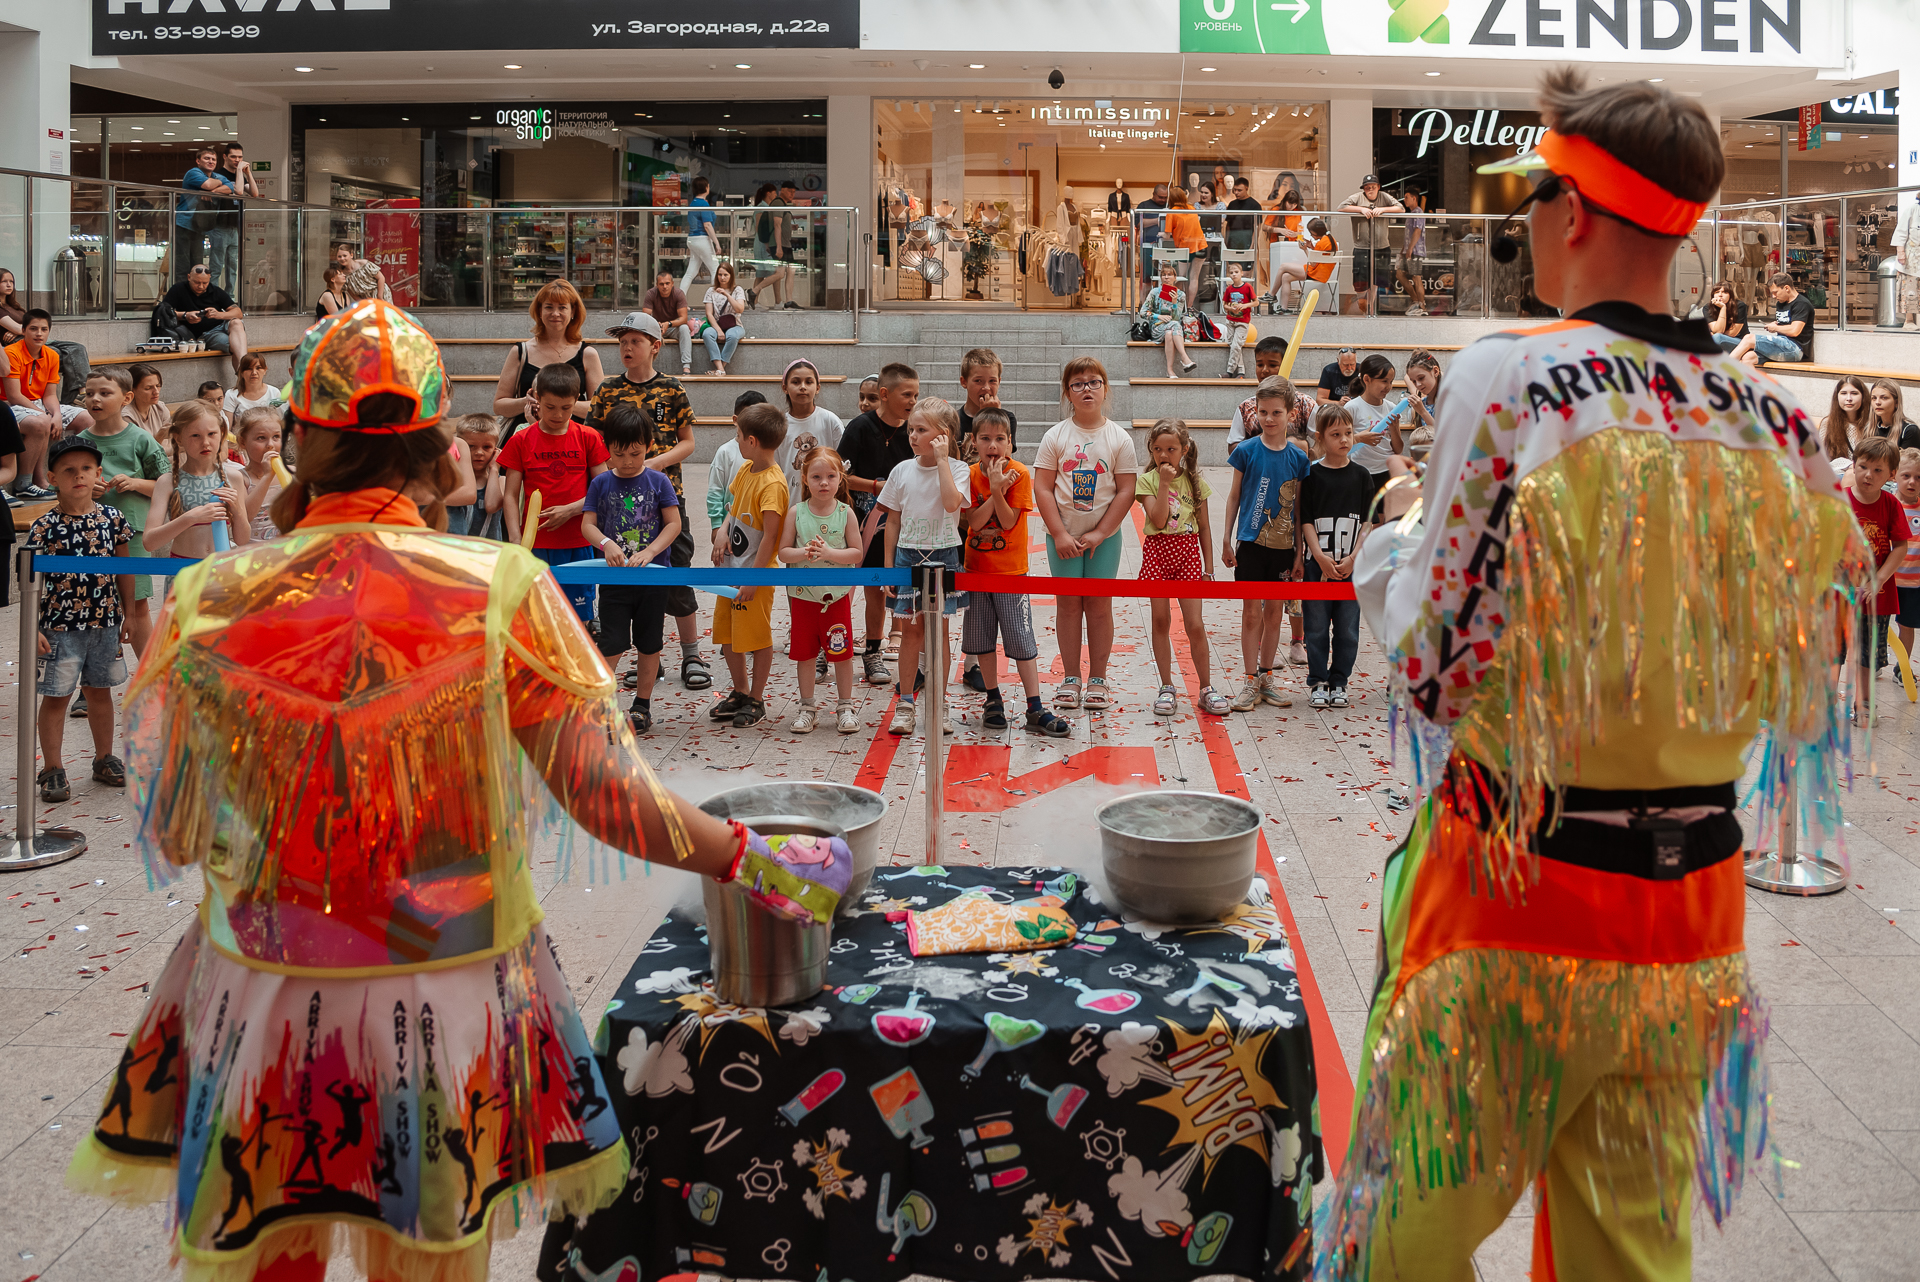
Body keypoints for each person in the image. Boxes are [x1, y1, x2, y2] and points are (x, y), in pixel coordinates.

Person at [63, 300, 851, 1282]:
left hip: (264, 987)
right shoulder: (499, 587)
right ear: (438, 448)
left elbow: (183, 832)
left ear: (302, 442)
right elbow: (609, 798)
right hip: (448, 991)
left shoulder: (210, 597)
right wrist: (771, 864)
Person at [1324, 69, 1864, 1281]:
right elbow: (1809, 674)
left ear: (1572, 212)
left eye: (1533, 200)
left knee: (1398, 1249)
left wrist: (1389, 547)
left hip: (1512, 902)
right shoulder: (1778, 419)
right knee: (1629, 1257)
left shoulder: (1511, 376)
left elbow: (1435, 670)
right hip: (1693, 920)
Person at [586, 310, 708, 690]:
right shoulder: (607, 390)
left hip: (665, 497)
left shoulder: (672, 388)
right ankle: (645, 659)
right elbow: (594, 443)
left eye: (635, 341)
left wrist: (654, 464)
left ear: (655, 346)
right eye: (622, 342)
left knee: (676, 572)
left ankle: (691, 654)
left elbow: (688, 442)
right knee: (628, 582)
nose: (627, 347)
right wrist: (607, 481)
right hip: (619, 503)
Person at [26, 436, 133, 801]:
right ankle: (52, 768)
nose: (79, 476)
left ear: (98, 474)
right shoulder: (44, 527)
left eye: (86, 468)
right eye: (69, 470)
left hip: (105, 624)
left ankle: (104, 758)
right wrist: (32, 628)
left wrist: (129, 615)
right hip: (59, 628)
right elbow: (31, 582)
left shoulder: (112, 519)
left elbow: (125, 570)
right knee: (57, 697)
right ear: (52, 478)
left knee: (100, 693)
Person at [1033, 358, 1136, 712]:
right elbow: (1043, 487)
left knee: (1099, 605)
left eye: (1094, 382)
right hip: (1062, 538)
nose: (1086, 389)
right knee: (1068, 605)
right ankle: (1071, 676)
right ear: (1068, 393)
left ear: (1105, 389)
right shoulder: (1055, 436)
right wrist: (1059, 533)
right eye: (1077, 384)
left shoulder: (1119, 438)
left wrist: (1101, 532)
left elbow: (1126, 490)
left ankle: (1098, 678)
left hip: (1104, 540)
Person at [964, 407, 1069, 737]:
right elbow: (974, 521)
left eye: (1000, 438)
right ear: (974, 442)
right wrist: (994, 488)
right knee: (982, 639)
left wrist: (997, 489)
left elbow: (1008, 521)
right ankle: (992, 698)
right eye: (985, 438)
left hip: (1010, 572)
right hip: (975, 570)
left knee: (1020, 639)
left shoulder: (1020, 473)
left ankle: (1034, 705)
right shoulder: (969, 474)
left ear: (1010, 442)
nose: (993, 445)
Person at [580, 402, 681, 736]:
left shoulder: (658, 481)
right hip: (615, 579)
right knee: (612, 641)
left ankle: (642, 706)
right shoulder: (601, 483)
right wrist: (606, 543)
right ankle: (603, 705)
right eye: (619, 454)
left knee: (649, 643)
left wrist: (651, 552)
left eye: (635, 454)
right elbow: (588, 524)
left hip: (653, 579)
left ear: (648, 446)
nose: (626, 462)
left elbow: (673, 524)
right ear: (608, 448)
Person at [880, 397, 970, 738]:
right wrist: (888, 565)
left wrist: (944, 460)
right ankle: (906, 702)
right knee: (911, 633)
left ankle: (938, 702)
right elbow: (892, 520)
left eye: (921, 430)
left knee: (939, 633)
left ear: (943, 435)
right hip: (907, 555)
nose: (913, 436)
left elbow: (951, 503)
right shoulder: (902, 470)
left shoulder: (958, 470)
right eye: (911, 430)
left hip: (943, 554)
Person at [1221, 376, 1312, 712]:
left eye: (1276, 412)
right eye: (1263, 412)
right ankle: (1249, 680)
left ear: (1291, 414)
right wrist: (1227, 539)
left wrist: (1299, 553)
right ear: (1255, 412)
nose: (1269, 419)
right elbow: (1233, 496)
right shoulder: (1246, 451)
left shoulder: (1298, 458)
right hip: (1250, 544)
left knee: (1274, 613)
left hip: (1284, 549)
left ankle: (1266, 676)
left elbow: (1299, 509)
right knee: (1251, 613)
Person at [500, 363, 609, 622]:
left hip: (579, 541)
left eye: (566, 408)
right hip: (536, 544)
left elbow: (604, 489)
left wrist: (571, 509)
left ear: (577, 400)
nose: (558, 415)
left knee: (577, 618)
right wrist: (516, 540)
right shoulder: (520, 440)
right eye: (550, 407)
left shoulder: (588, 437)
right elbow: (510, 495)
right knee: (539, 616)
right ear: (537, 398)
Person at [1136, 419, 1230, 719]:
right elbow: (1158, 520)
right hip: (1158, 553)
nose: (1164, 455)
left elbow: (1204, 527)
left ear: (1184, 450)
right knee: (1160, 621)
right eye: (1157, 449)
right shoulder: (1147, 481)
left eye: (1171, 449)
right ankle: (1166, 686)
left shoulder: (1196, 483)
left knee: (1195, 624)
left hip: (1187, 555)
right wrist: (1164, 483)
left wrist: (1209, 568)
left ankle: (1205, 687)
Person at [78, 368, 168, 660]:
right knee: (94, 603)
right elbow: (61, 490)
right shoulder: (78, 442)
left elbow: (167, 485)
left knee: (137, 604)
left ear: (126, 398)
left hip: (133, 535)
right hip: (89, 535)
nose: (95, 399)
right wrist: (83, 491)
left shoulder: (141, 439)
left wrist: (136, 483)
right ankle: (97, 677)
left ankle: (151, 677)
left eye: (105, 393)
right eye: (90, 393)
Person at [711, 402, 789, 729]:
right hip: (731, 570)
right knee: (728, 633)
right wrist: (722, 531)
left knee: (756, 637)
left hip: (755, 574)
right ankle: (741, 690)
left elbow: (770, 537)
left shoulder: (773, 484)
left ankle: (756, 698)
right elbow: (733, 507)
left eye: (739, 435)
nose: (737, 440)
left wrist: (754, 579)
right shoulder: (745, 470)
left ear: (752, 441)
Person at [842, 363, 919, 682]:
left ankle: (873, 653)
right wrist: (876, 487)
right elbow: (840, 476)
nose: (913, 401)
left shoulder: (915, 430)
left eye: (916, 395)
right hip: (858, 523)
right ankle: (825, 649)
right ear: (885, 394)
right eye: (907, 394)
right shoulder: (859, 428)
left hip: (899, 526)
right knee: (841, 589)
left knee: (881, 589)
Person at [777, 445, 861, 735]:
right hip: (802, 597)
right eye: (816, 477)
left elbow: (856, 553)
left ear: (840, 478)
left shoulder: (846, 513)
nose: (824, 483)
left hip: (836, 597)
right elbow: (784, 552)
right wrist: (805, 552)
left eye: (830, 476)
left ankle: (846, 706)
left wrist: (828, 553)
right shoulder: (796, 513)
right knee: (806, 654)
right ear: (804, 478)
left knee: (842, 653)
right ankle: (807, 707)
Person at [1296, 403, 1371, 709]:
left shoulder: (1362, 476)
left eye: (1348, 433)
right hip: (1318, 567)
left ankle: (1339, 681)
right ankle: (1317, 681)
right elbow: (1306, 521)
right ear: (1320, 437)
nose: (1344, 439)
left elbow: (1367, 523)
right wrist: (1319, 557)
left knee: (1347, 630)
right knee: (1315, 628)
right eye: (1336, 434)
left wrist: (1353, 558)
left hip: (1351, 568)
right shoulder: (1312, 475)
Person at [145, 401, 250, 561]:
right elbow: (149, 542)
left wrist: (238, 511)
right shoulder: (167, 482)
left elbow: (243, 540)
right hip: (183, 568)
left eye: (212, 434)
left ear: (222, 434)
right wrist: (190, 518)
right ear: (179, 438)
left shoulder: (234, 477)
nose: (205, 442)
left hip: (220, 568)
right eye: (195, 435)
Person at [1849, 435, 1907, 721]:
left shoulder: (1891, 505)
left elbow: (1901, 546)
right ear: (1853, 465)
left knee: (1867, 656)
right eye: (1863, 467)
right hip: (1838, 594)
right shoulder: (1838, 501)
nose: (1868, 475)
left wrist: (1879, 579)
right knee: (1831, 652)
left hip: (1876, 599)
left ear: (1891, 474)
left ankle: (1864, 704)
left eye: (1877, 470)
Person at [8, 308, 94, 497]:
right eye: (33, 329)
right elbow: (14, 396)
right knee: (41, 422)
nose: (39, 333)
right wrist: (46, 416)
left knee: (87, 418)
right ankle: (23, 484)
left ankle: (77, 473)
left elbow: (49, 395)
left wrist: (56, 415)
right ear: (23, 330)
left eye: (44, 329)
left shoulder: (51, 355)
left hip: (40, 403)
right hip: (12, 406)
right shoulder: (11, 353)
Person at [492, 278, 601, 427]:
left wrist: (559, 404)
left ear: (573, 311)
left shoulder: (588, 354)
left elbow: (599, 408)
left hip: (573, 436)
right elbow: (498, 406)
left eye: (562, 307)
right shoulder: (520, 352)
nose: (555, 313)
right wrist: (526, 401)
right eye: (549, 307)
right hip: (527, 434)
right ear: (539, 311)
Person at [161, 265, 250, 376]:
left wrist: (219, 314)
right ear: (189, 277)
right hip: (206, 334)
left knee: (237, 322)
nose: (201, 286)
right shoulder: (178, 289)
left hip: (222, 324)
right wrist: (185, 315)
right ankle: (245, 373)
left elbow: (238, 313)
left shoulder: (215, 291)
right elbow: (163, 311)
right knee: (237, 345)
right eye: (197, 282)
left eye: (205, 283)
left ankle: (245, 367)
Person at [777, 358, 844, 506]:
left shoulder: (830, 421)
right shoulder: (779, 425)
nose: (802, 387)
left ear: (818, 387)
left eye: (808, 382)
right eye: (796, 382)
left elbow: (841, 465)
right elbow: (775, 469)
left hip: (826, 507)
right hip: (790, 505)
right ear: (785, 388)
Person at [1343, 354, 1401, 504]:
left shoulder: (1391, 408)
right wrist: (1359, 438)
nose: (1388, 386)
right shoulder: (1352, 407)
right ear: (1367, 379)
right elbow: (1340, 444)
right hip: (1362, 471)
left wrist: (1395, 430)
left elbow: (1398, 449)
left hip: (1386, 471)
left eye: (1391, 382)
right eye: (1384, 381)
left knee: (1383, 515)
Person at [1338, 173, 1400, 315]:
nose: (1370, 190)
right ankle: (1362, 304)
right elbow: (1341, 207)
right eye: (1367, 187)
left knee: (1377, 279)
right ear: (1363, 189)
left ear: (1378, 187)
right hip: (1362, 247)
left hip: (1381, 246)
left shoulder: (1384, 197)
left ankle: (1371, 308)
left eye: (1373, 187)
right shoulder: (1357, 197)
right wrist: (1361, 209)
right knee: (1360, 280)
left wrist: (1383, 209)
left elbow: (1400, 208)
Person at [1729, 271, 1813, 366]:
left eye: (1775, 292)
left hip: (1795, 348)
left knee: (1749, 338)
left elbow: (1794, 331)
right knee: (1748, 357)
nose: (1773, 296)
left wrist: (1776, 328)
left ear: (1787, 288)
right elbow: (1786, 322)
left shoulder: (1801, 304)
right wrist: (1776, 324)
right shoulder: (1781, 303)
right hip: (1780, 344)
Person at [173, 147, 232, 284]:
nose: (211, 161)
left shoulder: (216, 176)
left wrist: (212, 191)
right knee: (182, 265)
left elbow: (230, 188)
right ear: (198, 161)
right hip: (184, 224)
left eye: (213, 159)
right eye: (207, 158)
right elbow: (208, 184)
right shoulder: (193, 172)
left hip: (199, 226)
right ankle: (181, 295)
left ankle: (195, 293)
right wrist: (216, 185)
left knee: (197, 266)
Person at [209, 142, 261, 295]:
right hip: (219, 225)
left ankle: (229, 296)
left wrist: (248, 173)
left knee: (232, 266)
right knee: (216, 265)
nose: (237, 160)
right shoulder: (218, 175)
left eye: (240, 157)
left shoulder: (239, 175)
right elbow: (238, 191)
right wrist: (239, 170)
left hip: (235, 225)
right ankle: (212, 295)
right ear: (225, 157)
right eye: (233, 157)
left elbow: (254, 193)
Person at [1138, 260, 1196, 378]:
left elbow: (1176, 317)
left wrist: (1174, 303)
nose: (1166, 277)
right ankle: (1184, 358)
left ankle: (1170, 371)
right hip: (1157, 327)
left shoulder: (1180, 295)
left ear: (1175, 278)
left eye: (1169, 275)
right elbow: (1142, 312)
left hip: (1172, 330)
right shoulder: (1155, 292)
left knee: (1170, 332)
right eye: (1163, 275)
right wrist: (1158, 316)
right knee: (1174, 325)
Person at [449, 413, 502, 539]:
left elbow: (491, 505)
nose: (479, 452)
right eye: (471, 446)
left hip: (490, 549)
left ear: (496, 450)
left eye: (486, 447)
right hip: (458, 547)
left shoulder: (501, 481)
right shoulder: (454, 481)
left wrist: (494, 469)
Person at [1271, 216, 1334, 314]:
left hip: (1316, 273)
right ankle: (1284, 308)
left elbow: (1313, 263)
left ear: (1316, 232)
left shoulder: (1322, 242)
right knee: (1286, 277)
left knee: (1283, 266)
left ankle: (1271, 295)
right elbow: (1320, 256)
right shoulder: (1330, 239)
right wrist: (1311, 246)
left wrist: (1305, 250)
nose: (1311, 235)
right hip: (1323, 273)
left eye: (1312, 233)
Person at [957, 348, 1015, 455]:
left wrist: (994, 416)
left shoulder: (1007, 418)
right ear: (964, 382)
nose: (986, 388)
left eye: (992, 381)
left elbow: (1005, 457)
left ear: (999, 382)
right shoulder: (954, 421)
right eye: (978, 381)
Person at [749, 184, 796, 310]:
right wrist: (768, 244)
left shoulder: (769, 206)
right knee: (763, 273)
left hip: (768, 243)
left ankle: (777, 301)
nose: (776, 195)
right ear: (768, 193)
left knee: (775, 272)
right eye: (774, 193)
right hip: (764, 244)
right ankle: (755, 300)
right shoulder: (762, 207)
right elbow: (760, 227)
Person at [1894, 447, 1920, 663]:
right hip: (1887, 580)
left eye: (1919, 477)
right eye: (1906, 476)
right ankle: (1874, 662)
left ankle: (1902, 668)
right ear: (1894, 475)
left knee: (1907, 626)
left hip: (1913, 583)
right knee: (1877, 625)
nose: (1912, 482)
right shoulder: (1888, 505)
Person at [700, 261, 748, 374]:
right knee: (707, 334)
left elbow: (740, 309)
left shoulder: (737, 290)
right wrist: (718, 330)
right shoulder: (711, 291)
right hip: (716, 325)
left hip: (735, 325)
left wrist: (726, 294)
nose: (722, 278)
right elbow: (709, 314)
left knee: (732, 336)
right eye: (720, 275)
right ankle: (720, 368)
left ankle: (720, 368)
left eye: (726, 275)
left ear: (731, 275)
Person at [1162, 189, 1207, 306]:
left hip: (1184, 248)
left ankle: (1178, 305)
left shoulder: (1172, 212)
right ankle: (1189, 306)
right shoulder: (1192, 208)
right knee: (1194, 278)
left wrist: (1161, 233)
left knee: (1181, 277)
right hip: (1201, 245)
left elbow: (1167, 236)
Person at [681, 176, 720, 296]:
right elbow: (707, 225)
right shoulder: (703, 204)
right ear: (706, 188)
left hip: (692, 240)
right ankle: (714, 300)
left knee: (690, 273)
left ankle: (679, 300)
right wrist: (717, 243)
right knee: (715, 269)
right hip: (702, 239)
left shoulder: (693, 203)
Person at [1821, 374, 1873, 463]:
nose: (1849, 398)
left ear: (1863, 397)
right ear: (1837, 396)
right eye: (1844, 393)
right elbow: (1821, 459)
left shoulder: (1872, 423)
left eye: (1854, 393)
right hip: (1836, 470)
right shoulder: (1827, 423)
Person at [221, 352, 283, 426]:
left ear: (265, 370)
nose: (254, 372)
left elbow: (280, 423)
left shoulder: (274, 392)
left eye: (258, 368)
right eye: (249, 369)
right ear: (241, 372)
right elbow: (227, 428)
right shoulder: (231, 395)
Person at [1397, 188, 1430, 317]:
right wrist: (1403, 250)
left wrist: (1410, 248)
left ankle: (1422, 306)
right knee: (1399, 274)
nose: (1404, 200)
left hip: (1415, 251)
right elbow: (1409, 234)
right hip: (1408, 250)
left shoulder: (1418, 212)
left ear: (1414, 198)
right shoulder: (1411, 213)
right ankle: (1415, 300)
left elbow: (1417, 230)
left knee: (1416, 277)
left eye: (1406, 197)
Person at [1220, 259, 1255, 377]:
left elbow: (1256, 302)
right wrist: (1231, 308)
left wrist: (1245, 305)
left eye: (1236, 272)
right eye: (1231, 273)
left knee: (1235, 346)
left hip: (1242, 322)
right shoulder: (1229, 289)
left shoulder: (1247, 287)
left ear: (1242, 273)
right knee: (1234, 346)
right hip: (1230, 320)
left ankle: (1229, 371)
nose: (1234, 274)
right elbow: (1225, 305)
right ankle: (1241, 371)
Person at [1865, 378, 1920, 451]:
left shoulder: (1909, 430)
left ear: (1896, 402)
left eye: (1884, 398)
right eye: (1874, 398)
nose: (1877, 402)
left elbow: (1908, 458)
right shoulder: (1869, 428)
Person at [1892, 188, 1920, 329]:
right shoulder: (1912, 210)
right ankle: (1909, 321)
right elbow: (1901, 233)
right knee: (1910, 289)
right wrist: (1901, 253)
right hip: (1911, 258)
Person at [1225, 176, 1263, 264]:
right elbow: (1228, 225)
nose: (1236, 192)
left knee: (1246, 268)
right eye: (1235, 190)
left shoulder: (1255, 205)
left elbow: (1257, 227)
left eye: (1239, 190)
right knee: (1232, 266)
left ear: (1246, 188)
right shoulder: (1232, 204)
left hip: (1247, 239)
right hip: (1233, 239)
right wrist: (1226, 242)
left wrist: (1252, 245)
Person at [1137, 182, 1169, 285]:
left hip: (1167, 246)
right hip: (1148, 246)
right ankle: (1147, 296)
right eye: (1160, 197)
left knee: (1167, 278)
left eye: (1165, 197)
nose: (1163, 200)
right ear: (1154, 194)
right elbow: (1139, 224)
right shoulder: (1143, 206)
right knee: (1147, 278)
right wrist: (1158, 220)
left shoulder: (1169, 206)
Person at [125, 363, 169, 438]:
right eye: (148, 388)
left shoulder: (161, 408)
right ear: (132, 390)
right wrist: (159, 437)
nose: (156, 392)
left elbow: (169, 441)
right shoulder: (127, 417)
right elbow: (137, 445)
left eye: (158, 386)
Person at [1706, 280, 1747, 352]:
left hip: (1739, 341)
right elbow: (1718, 330)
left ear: (1730, 295)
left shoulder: (1740, 306)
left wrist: (1723, 307)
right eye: (1717, 292)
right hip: (1717, 340)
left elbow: (1732, 333)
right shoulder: (1708, 308)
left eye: (1724, 292)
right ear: (1713, 295)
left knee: (1717, 337)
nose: (1720, 295)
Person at [0, 267, 25, 343]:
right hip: (14, 345)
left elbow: (34, 323)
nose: (9, 285)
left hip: (27, 340)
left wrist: (17, 332)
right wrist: (18, 331)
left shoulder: (13, 305)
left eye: (11, 281)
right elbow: (18, 329)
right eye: (4, 281)